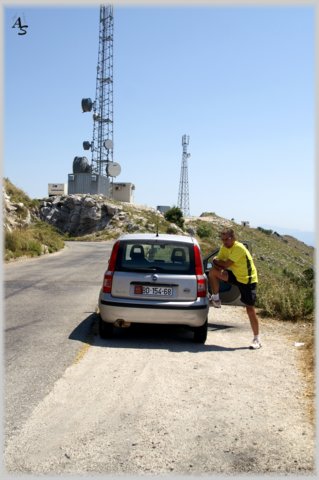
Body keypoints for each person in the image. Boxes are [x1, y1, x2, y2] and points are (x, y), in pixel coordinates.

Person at [208, 228, 261, 350]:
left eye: (227, 239)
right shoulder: (224, 247)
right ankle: (216, 298)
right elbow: (217, 262)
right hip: (236, 276)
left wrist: (217, 261)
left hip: (248, 280)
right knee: (213, 272)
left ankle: (256, 339)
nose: (224, 242)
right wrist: (217, 261)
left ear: (233, 237)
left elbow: (225, 264)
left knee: (250, 310)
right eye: (223, 239)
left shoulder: (239, 248)